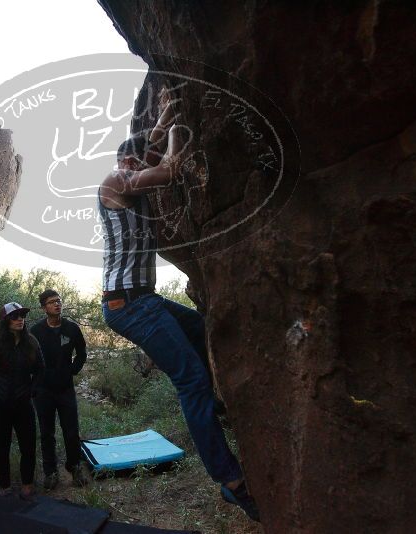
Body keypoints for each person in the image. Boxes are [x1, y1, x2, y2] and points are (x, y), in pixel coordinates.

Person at [97, 88, 261, 521]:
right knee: (190, 381)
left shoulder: (133, 168)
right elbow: (166, 169)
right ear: (127, 163)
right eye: (136, 161)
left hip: (144, 300)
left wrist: (167, 115)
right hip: (126, 304)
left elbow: (149, 151)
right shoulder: (115, 180)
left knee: (206, 332)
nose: (138, 165)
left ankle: (219, 407)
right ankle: (230, 481)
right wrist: (175, 138)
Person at [0, 302, 44, 499]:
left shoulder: (31, 342)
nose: (20, 319)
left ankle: (27, 485)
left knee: (28, 446)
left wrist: (32, 391)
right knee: (2, 446)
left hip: (23, 404)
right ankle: (4, 486)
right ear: (6, 321)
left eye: (22, 315)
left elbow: (40, 369)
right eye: (15, 316)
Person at [29, 289, 89, 489]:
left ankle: (74, 468)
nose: (57, 304)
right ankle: (50, 472)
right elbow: (29, 358)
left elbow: (81, 352)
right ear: (44, 307)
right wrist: (36, 380)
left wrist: (72, 370)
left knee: (71, 431)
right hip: (43, 391)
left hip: (65, 389)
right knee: (47, 433)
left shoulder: (71, 329)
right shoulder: (36, 331)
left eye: (59, 300)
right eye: (52, 302)